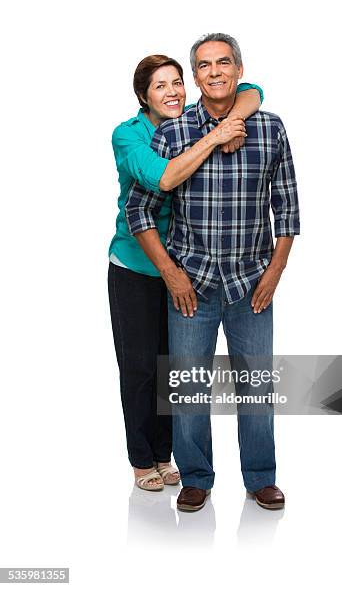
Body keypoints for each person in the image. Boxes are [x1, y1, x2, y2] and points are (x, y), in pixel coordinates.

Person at [125, 34, 300, 510]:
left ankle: (260, 475)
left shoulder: (270, 128)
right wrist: (171, 273)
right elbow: (139, 211)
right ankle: (197, 476)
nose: (215, 71)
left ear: (240, 70)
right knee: (187, 390)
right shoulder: (172, 135)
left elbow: (287, 209)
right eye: (204, 65)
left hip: (251, 285)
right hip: (191, 287)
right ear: (195, 76)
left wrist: (276, 271)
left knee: (257, 389)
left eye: (224, 62)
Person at [108, 53, 263, 491]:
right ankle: (143, 459)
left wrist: (230, 118)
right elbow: (164, 179)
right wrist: (218, 135)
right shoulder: (130, 135)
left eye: (177, 82)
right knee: (140, 367)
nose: (173, 91)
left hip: (189, 265)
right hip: (138, 267)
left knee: (175, 369)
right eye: (160, 86)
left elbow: (253, 91)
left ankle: (166, 453)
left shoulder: (191, 123)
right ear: (143, 95)